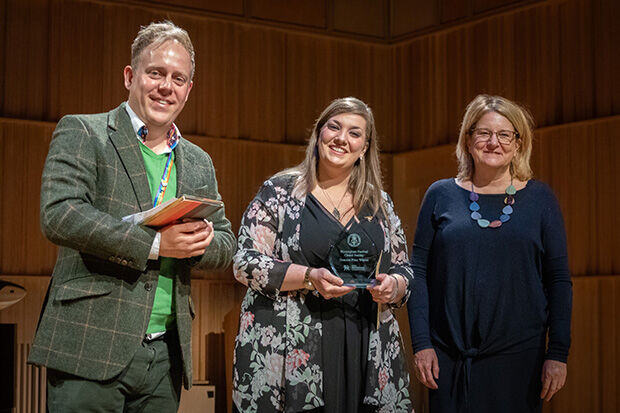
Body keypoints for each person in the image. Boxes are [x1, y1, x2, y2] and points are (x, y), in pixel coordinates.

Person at [28, 21, 235, 412]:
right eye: (155, 73)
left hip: (165, 356)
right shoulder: (85, 132)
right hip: (91, 345)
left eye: (178, 78)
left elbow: (226, 242)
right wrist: (157, 244)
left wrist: (195, 244)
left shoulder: (197, 162)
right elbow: (59, 214)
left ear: (188, 89)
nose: (166, 86)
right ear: (130, 76)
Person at [231, 97, 414, 412]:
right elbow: (245, 263)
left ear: (365, 146)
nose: (342, 138)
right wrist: (308, 277)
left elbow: (404, 269)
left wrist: (392, 285)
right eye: (335, 127)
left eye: (354, 133)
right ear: (319, 133)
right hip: (294, 346)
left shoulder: (379, 203)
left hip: (364, 343)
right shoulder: (279, 192)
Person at [408, 94, 573, 413]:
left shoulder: (540, 199)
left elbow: (558, 281)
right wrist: (421, 344)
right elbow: (418, 273)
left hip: (521, 360)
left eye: (504, 134)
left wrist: (558, 353)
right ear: (468, 139)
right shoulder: (440, 194)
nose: (493, 142)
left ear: (518, 143)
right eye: (483, 133)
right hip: (448, 356)